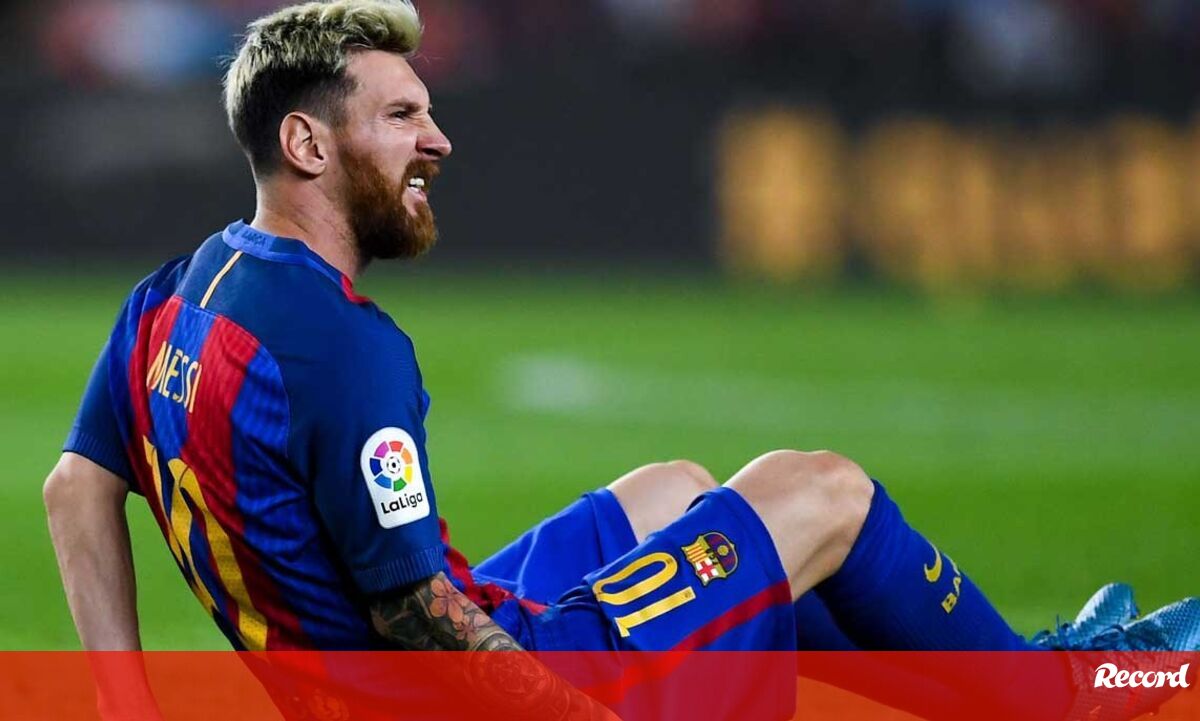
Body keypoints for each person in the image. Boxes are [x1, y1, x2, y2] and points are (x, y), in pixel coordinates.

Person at [43, 1, 1198, 719]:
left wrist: (126, 705)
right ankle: (1071, 694)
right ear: (306, 142)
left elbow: (76, 487)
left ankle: (1016, 683)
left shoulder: (175, 293)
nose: (437, 139)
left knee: (677, 490)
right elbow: (418, 613)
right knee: (821, 493)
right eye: (400, 117)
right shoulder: (342, 346)